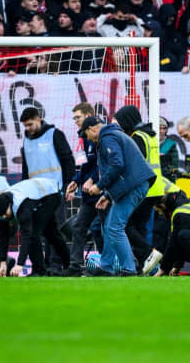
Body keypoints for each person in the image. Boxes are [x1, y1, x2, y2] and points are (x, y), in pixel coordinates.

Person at [82, 116, 155, 276]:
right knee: (108, 226)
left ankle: (129, 268)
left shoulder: (107, 138)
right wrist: (107, 195)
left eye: (86, 134)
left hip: (133, 186)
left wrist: (99, 186)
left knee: (114, 227)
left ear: (92, 129)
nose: (87, 139)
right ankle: (106, 266)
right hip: (132, 185)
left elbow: (117, 165)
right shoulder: (113, 135)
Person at [113, 104, 177, 275]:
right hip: (155, 189)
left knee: (123, 224)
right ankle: (144, 266)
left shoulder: (137, 137)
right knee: (139, 227)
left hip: (144, 189)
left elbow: (135, 165)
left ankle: (149, 254)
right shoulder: (149, 135)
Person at [0, 177, 69, 277]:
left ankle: (40, 270)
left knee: (34, 233)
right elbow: (3, 236)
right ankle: (69, 265)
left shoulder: (21, 206)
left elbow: (26, 235)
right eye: (1, 216)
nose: (4, 217)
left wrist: (20, 264)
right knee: (52, 234)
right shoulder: (0, 211)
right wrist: (2, 262)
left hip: (51, 194)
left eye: (5, 213)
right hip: (38, 193)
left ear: (10, 205)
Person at [62, 103, 102, 277]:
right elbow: (85, 164)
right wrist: (76, 181)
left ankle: (117, 264)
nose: (75, 121)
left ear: (88, 116)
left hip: (102, 192)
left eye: (77, 117)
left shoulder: (101, 136)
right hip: (89, 194)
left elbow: (102, 165)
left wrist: (93, 180)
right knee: (79, 227)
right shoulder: (83, 138)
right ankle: (76, 266)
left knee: (106, 230)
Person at [20, 107, 75, 191]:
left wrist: (69, 184)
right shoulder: (26, 141)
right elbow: (25, 168)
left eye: (30, 124)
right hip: (34, 191)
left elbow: (68, 161)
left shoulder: (55, 134)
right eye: (25, 125)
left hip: (56, 190)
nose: (27, 128)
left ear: (38, 119)